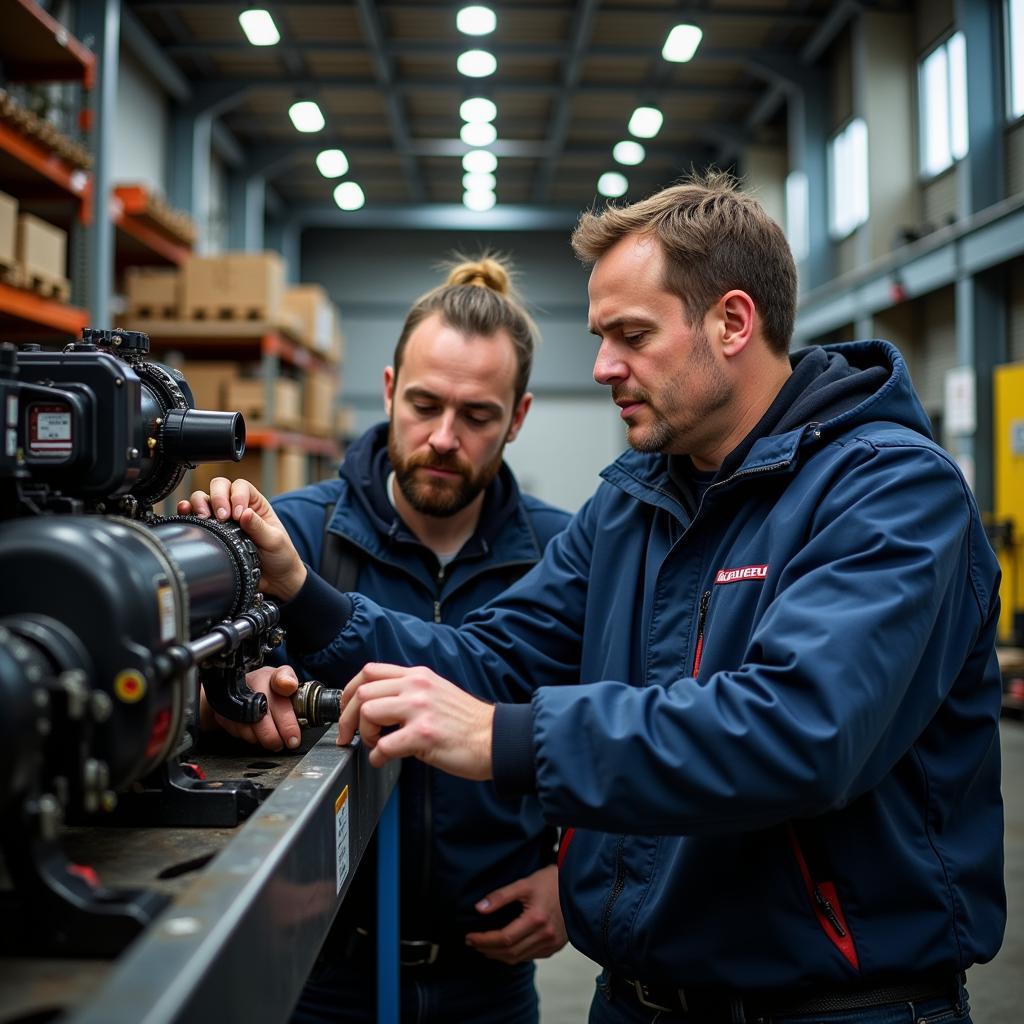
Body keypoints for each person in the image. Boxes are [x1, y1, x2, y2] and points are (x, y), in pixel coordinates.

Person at [188, 172, 1005, 1024]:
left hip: (833, 1008)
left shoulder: (890, 490)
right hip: (638, 1001)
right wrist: (303, 594)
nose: (604, 365)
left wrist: (506, 737)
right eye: (599, 334)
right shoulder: (636, 503)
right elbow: (496, 657)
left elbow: (802, 729)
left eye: (631, 335)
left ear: (732, 321)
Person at [190, 257, 571, 1024]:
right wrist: (226, 704)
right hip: (320, 968)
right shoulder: (293, 536)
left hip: (487, 977)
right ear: (391, 388)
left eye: (477, 416)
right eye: (425, 404)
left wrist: (576, 878)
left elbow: (611, 717)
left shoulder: (561, 559)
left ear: (519, 417)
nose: (443, 438)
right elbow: (191, 708)